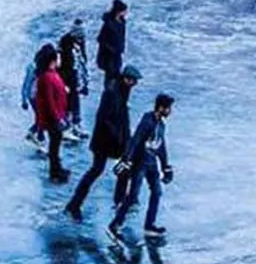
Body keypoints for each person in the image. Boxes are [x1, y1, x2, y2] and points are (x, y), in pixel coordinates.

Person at [65, 64, 143, 223]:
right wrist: (121, 139)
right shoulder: (112, 93)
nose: (134, 85)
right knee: (97, 171)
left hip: (112, 140)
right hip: (106, 142)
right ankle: (75, 205)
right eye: (133, 81)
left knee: (116, 170)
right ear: (127, 79)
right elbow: (107, 119)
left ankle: (117, 201)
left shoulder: (119, 90)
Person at [108, 92, 175, 241]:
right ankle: (115, 224)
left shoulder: (161, 125)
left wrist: (165, 166)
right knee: (132, 196)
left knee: (157, 192)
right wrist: (126, 159)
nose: (170, 111)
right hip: (140, 164)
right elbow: (135, 140)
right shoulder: (147, 121)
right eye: (168, 108)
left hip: (152, 165)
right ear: (160, 108)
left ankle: (149, 225)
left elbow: (160, 146)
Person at [34, 43, 71, 184]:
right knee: (54, 146)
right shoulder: (47, 77)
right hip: (53, 119)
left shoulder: (51, 74)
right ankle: (55, 171)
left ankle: (57, 169)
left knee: (56, 145)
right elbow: (49, 101)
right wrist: (57, 118)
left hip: (57, 115)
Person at [58, 32, 87, 142]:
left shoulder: (76, 51)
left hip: (74, 81)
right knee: (68, 106)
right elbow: (62, 70)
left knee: (75, 104)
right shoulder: (64, 53)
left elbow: (80, 66)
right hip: (68, 83)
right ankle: (67, 128)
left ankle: (76, 125)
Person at [96, 0, 128, 85]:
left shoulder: (122, 23)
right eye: (124, 11)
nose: (126, 13)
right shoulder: (108, 24)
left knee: (117, 73)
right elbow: (100, 39)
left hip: (117, 54)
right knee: (110, 75)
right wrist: (111, 49)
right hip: (109, 56)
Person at [20, 51, 46, 152]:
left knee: (41, 118)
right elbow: (26, 84)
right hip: (34, 96)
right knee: (41, 117)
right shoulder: (33, 67)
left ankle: (33, 134)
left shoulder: (45, 66)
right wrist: (24, 100)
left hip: (41, 95)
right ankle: (39, 139)